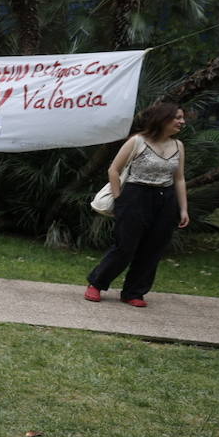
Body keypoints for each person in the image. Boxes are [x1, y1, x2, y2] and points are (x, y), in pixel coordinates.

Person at [85, 102, 189, 308]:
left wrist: (183, 208)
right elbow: (114, 170)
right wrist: (119, 198)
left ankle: (134, 292)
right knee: (125, 246)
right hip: (135, 196)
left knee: (153, 248)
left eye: (182, 118)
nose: (182, 122)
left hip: (165, 200)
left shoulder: (178, 146)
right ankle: (97, 284)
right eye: (177, 117)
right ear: (163, 118)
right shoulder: (137, 141)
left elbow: (179, 179)